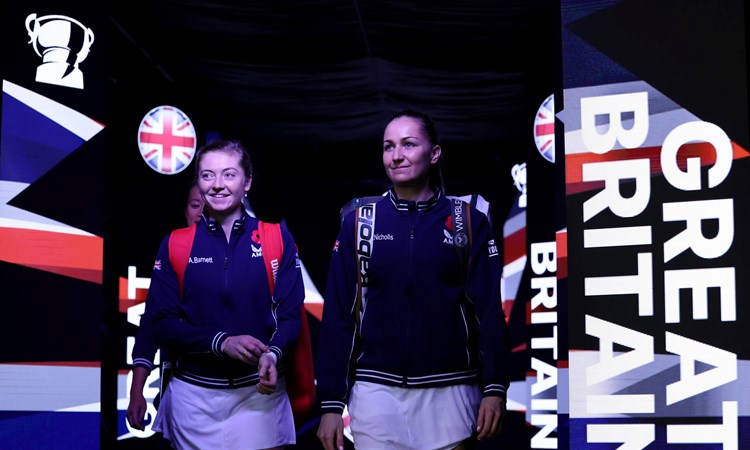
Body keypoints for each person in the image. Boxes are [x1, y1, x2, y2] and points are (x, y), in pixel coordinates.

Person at [316, 110, 510, 450]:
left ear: (434, 153)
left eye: (409, 144)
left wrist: (495, 387)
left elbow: (490, 312)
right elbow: (338, 317)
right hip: (376, 394)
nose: (397, 155)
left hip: (451, 392)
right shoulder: (359, 221)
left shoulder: (468, 220)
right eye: (389, 146)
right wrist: (331, 403)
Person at [148, 139, 305, 449]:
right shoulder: (176, 244)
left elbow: (290, 316)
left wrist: (272, 354)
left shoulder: (276, 237)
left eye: (229, 175)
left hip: (258, 394)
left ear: (247, 182)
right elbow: (162, 322)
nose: (217, 185)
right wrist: (221, 342)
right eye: (207, 176)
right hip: (192, 399)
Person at [125, 180, 204, 438]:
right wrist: (137, 391)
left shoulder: (239, 258)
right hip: (181, 390)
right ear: (185, 211)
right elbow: (150, 326)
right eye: (195, 204)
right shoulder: (171, 255)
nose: (202, 211)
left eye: (208, 205)